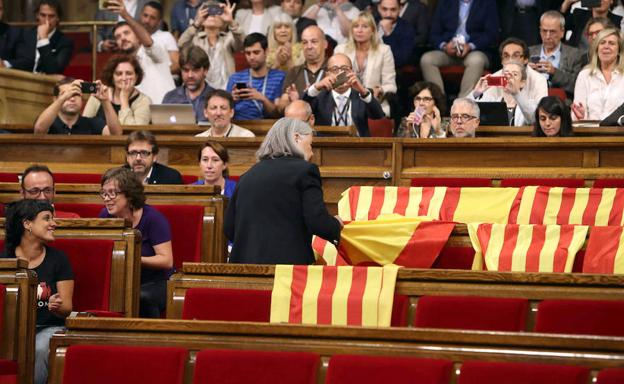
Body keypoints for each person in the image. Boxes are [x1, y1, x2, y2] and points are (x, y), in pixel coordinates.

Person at [224, 118, 342, 264]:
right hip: (285, 271)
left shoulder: (247, 176)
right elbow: (317, 221)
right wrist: (336, 226)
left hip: (244, 269)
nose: (311, 152)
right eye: (311, 144)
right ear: (296, 138)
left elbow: (229, 228)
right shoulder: (305, 171)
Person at [2, 199, 73, 384]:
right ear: (27, 224)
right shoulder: (5, 259)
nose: (54, 224)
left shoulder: (59, 259)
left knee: (40, 348)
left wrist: (55, 307)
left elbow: (66, 308)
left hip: (47, 327)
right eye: (47, 218)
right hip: (10, 330)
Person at [98, 167, 173, 318]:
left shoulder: (153, 218)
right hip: (121, 279)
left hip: (156, 282)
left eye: (112, 193)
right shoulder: (105, 216)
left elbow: (166, 261)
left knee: (141, 297)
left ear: (129, 194)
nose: (106, 198)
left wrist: (134, 259)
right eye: (104, 193)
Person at [420, 0, 499, 97]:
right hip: (448, 51)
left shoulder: (487, 3)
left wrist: (470, 46)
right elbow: (434, 33)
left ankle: (464, 102)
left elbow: (491, 33)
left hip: (475, 50)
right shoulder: (445, 3)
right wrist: (445, 46)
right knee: (427, 59)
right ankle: (439, 100)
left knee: (476, 60)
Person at [109, 1, 175, 104]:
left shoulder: (155, 52)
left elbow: (149, 43)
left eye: (126, 33)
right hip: (142, 115)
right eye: (118, 36)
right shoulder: (123, 66)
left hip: (164, 110)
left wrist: (126, 15)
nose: (123, 38)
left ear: (138, 35)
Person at [303, 53, 385, 136]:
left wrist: (363, 91)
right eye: (335, 70)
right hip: (326, 146)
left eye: (344, 69)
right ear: (327, 74)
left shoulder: (362, 94)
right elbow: (302, 109)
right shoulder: (319, 97)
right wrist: (316, 87)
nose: (340, 73)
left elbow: (378, 116)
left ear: (352, 72)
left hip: (358, 147)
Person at [334, 12, 397, 116]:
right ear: (352, 30)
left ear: (372, 30)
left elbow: (391, 86)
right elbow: (335, 82)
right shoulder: (340, 50)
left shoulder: (384, 51)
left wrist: (381, 89)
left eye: (364, 26)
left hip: (374, 102)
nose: (359, 30)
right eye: (356, 26)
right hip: (346, 102)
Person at [177, 0, 242, 90]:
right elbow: (181, 44)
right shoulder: (195, 40)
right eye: (207, 13)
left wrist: (231, 22)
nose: (212, 16)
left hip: (226, 91)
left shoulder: (230, 38)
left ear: (223, 20)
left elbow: (242, 44)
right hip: (200, 91)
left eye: (216, 12)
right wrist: (196, 23)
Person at [226, 33, 285, 120]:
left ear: (266, 51)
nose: (251, 57)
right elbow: (224, 113)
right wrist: (231, 101)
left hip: (267, 127)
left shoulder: (280, 77)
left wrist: (262, 98)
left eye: (256, 52)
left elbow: (278, 115)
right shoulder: (235, 78)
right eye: (248, 53)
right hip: (238, 126)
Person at [34, 78, 122, 135]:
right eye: (65, 94)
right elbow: (39, 130)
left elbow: (116, 135)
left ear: (81, 98)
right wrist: (63, 98)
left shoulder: (91, 123)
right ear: (55, 99)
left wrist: (105, 100)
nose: (71, 99)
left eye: (75, 94)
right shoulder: (49, 122)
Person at [82, 54, 151, 125]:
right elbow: (84, 125)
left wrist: (124, 99)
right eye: (119, 74)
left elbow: (134, 132)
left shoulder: (144, 101)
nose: (124, 78)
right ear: (112, 77)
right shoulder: (99, 94)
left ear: (136, 77)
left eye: (129, 73)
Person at [572, 28, 624, 121]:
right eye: (602, 42)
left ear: (619, 50)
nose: (606, 46)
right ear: (597, 48)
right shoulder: (584, 75)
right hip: (590, 132)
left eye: (611, 43)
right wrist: (581, 116)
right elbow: (577, 113)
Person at [528, 11, 583, 96]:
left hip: (562, 105)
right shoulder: (528, 52)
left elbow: (578, 85)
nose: (547, 36)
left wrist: (554, 73)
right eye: (544, 31)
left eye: (552, 32)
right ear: (540, 31)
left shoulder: (575, 55)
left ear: (562, 32)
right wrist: (526, 72)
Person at [12, 0, 73, 74]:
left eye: (51, 16)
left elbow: (53, 71)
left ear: (58, 18)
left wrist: (44, 39)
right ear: (37, 15)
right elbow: (18, 64)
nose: (47, 20)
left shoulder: (65, 42)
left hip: (49, 84)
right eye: (43, 15)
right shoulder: (25, 36)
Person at [277, 25, 328, 112]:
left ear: (325, 44)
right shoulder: (293, 72)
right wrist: (295, 103)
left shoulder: (333, 69)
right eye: (305, 42)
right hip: (300, 123)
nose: (309, 46)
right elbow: (281, 107)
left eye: (314, 41)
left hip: (326, 124)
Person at [470, 60, 535, 126]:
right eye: (506, 74)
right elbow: (466, 113)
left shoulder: (530, 103)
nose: (508, 78)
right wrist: (476, 93)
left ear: (522, 83)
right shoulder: (489, 102)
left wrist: (516, 93)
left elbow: (532, 119)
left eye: (515, 74)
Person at [162, 46, 214, 123]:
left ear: (205, 71)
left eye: (195, 70)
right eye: (186, 70)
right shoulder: (170, 97)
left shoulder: (217, 98)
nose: (190, 75)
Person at [139, 1, 180, 74]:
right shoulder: (133, 36)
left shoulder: (166, 36)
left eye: (153, 18)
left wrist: (154, 74)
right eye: (145, 15)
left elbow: (176, 65)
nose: (147, 20)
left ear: (159, 22)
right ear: (140, 15)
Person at [376, 0, 415, 68]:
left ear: (400, 9)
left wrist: (388, 34)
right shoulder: (371, 22)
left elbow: (401, 60)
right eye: (384, 9)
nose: (388, 14)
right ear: (379, 8)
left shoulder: (407, 28)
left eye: (393, 10)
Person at [0, 0, 25, 69]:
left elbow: (24, 61)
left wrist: (5, 64)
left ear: (3, 11)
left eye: (0, 9)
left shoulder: (15, 33)